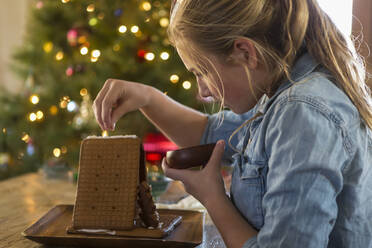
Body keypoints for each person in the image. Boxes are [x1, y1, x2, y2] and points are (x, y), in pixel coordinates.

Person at [93, 0, 372, 247]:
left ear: (244, 52)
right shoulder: (277, 91)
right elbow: (209, 133)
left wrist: (213, 198)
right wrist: (147, 98)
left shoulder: (303, 113)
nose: (202, 91)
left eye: (202, 71)